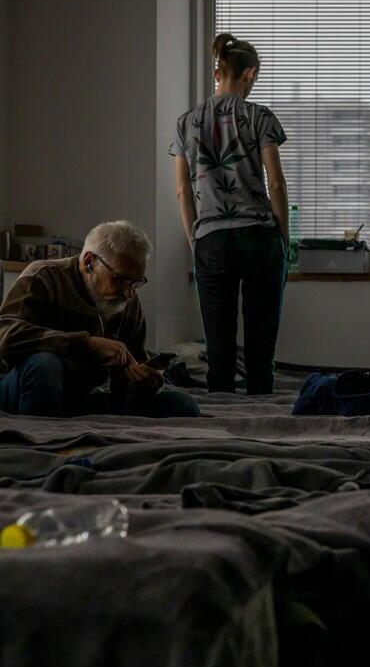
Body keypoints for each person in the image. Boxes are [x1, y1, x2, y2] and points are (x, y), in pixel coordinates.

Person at [173, 33, 289, 394]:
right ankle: (262, 415)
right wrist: (282, 238)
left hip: (211, 239)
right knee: (260, 348)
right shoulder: (260, 117)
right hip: (257, 236)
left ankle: (220, 425)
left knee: (218, 353)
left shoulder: (186, 123)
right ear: (249, 74)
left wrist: (196, 240)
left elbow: (182, 190)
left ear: (217, 71)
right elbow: (277, 184)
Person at [0, 221, 199, 418]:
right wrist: (86, 344)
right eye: (120, 280)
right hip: (28, 387)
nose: (129, 293)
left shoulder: (127, 300)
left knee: (182, 405)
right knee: (44, 364)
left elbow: (129, 376)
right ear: (89, 262)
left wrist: (146, 379)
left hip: (86, 396)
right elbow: (5, 334)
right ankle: (46, 437)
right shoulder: (44, 277)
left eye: (136, 282)